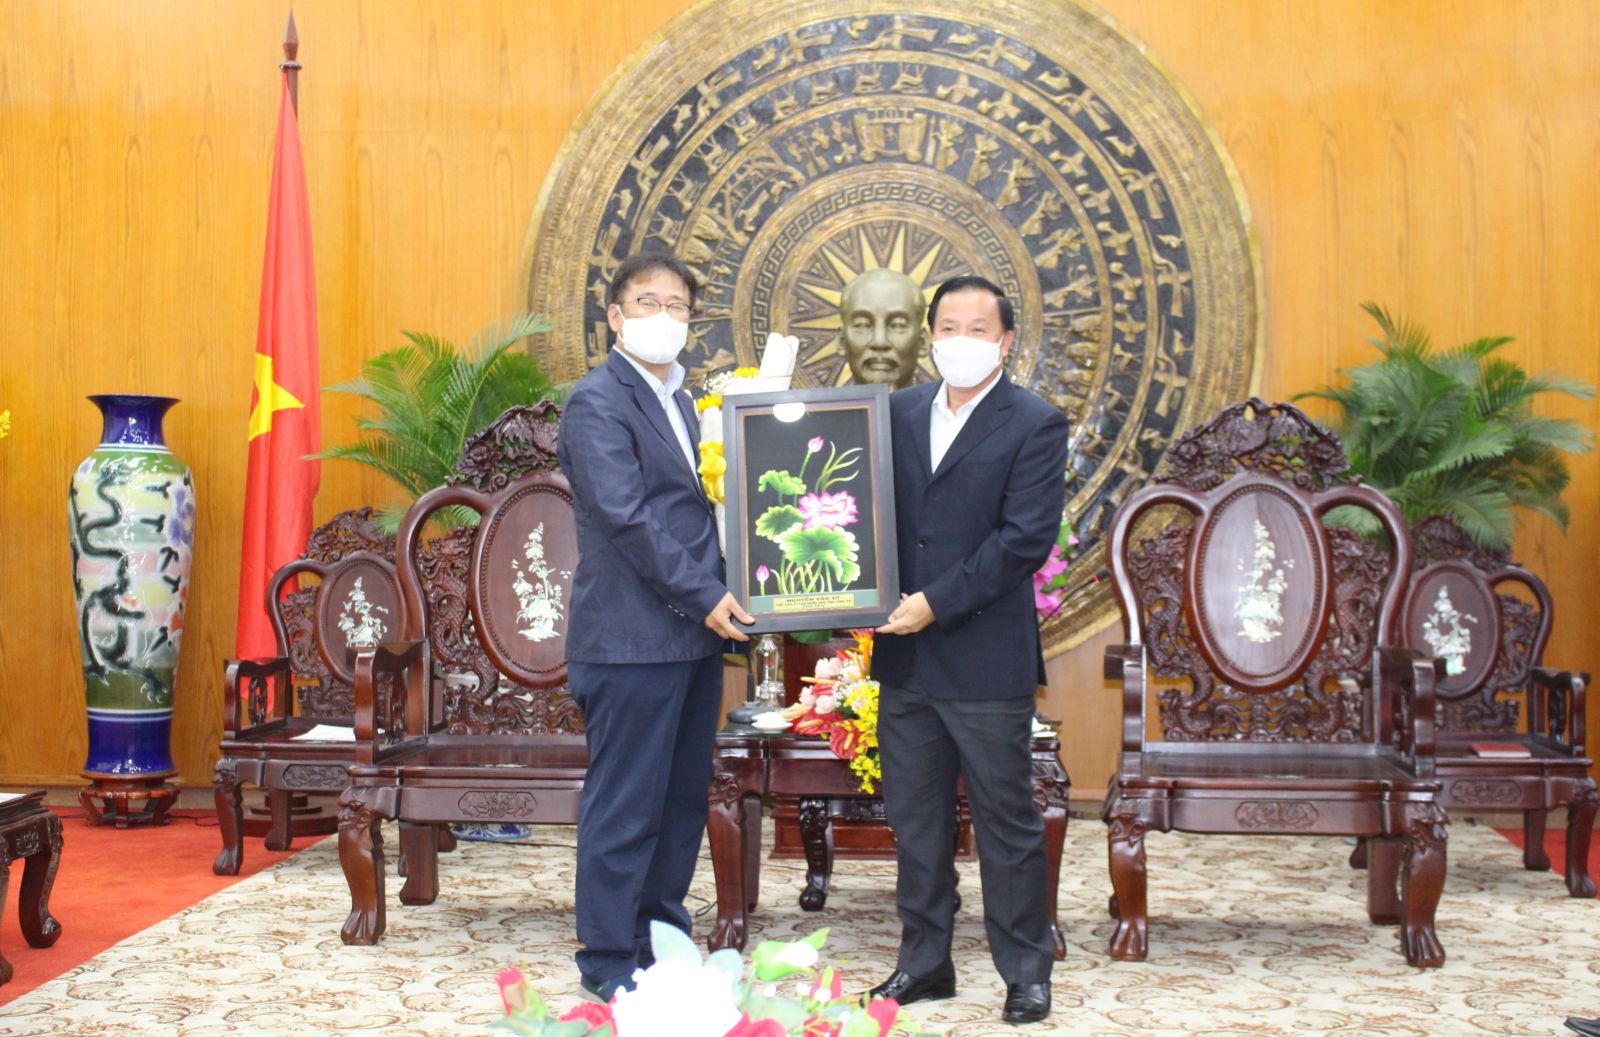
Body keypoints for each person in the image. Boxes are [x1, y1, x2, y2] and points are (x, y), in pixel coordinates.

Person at [869, 274, 1069, 1024]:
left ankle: (1026, 970)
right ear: (930, 335)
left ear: (1007, 340)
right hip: (906, 660)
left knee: (1006, 824)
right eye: (947, 325)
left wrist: (934, 603)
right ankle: (925, 964)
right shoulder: (895, 412)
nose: (961, 339)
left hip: (984, 657)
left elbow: (1023, 540)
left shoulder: (1035, 422)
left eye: (978, 327)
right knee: (915, 823)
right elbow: (863, 511)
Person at [556, 251, 753, 1003]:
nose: (662, 317)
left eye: (676, 305)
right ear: (614, 315)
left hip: (695, 637)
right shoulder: (598, 401)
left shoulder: (686, 401)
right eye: (646, 302)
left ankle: (659, 935)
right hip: (632, 640)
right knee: (626, 802)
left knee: (678, 801)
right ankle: (608, 954)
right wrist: (708, 593)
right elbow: (628, 519)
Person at [838, 268, 928, 390]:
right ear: (842, 342)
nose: (879, 342)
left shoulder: (942, 409)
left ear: (922, 342)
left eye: (898, 325)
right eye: (862, 324)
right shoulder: (810, 409)